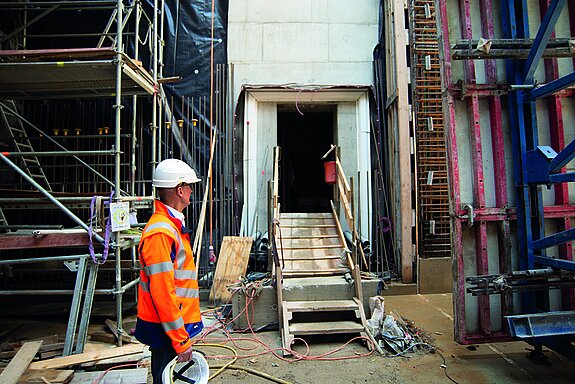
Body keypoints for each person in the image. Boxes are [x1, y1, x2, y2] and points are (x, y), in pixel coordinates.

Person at [134, 158, 203, 384]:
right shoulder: (161, 233)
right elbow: (163, 293)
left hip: (170, 328)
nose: (192, 191)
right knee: (164, 378)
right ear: (180, 190)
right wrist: (180, 339)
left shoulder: (171, 227)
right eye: (190, 186)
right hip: (166, 331)